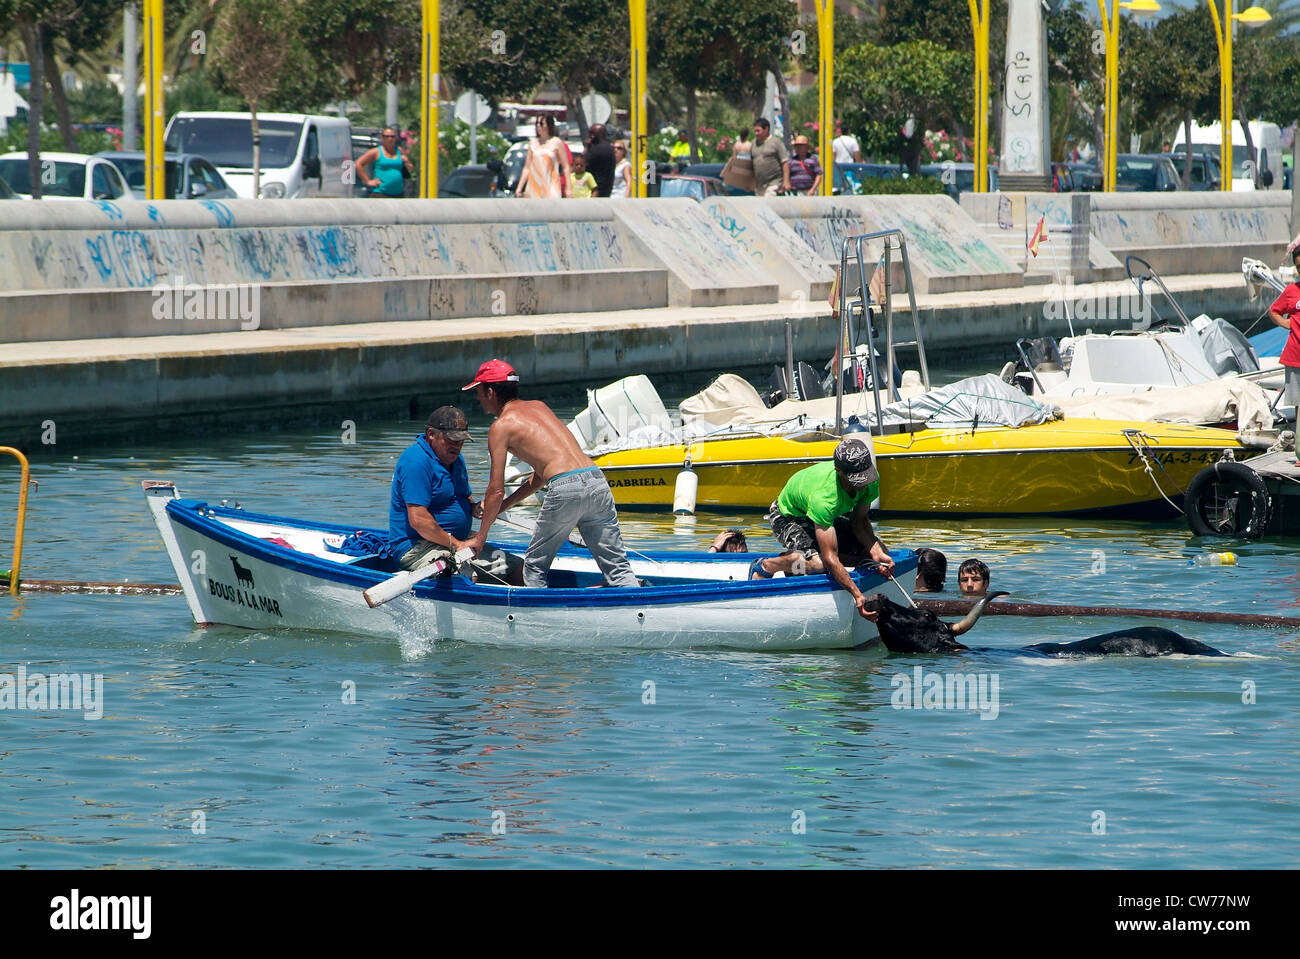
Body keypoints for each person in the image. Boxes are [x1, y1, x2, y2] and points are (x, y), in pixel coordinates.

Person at [463, 359, 639, 589]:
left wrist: (480, 537)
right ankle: (635, 603)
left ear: (490, 392)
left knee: (534, 569)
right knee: (618, 569)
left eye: (478, 392)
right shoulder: (539, 407)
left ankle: (537, 621)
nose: (477, 398)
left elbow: (495, 490)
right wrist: (503, 507)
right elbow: (543, 474)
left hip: (566, 487)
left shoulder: (501, 426)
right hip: (596, 479)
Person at [749, 438, 895, 622]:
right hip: (788, 516)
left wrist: (875, 551)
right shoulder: (824, 498)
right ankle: (770, 565)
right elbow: (830, 558)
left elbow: (859, 521)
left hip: (820, 518)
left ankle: (803, 563)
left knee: (876, 549)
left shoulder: (871, 480)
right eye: (857, 480)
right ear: (839, 471)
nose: (864, 484)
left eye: (865, 477)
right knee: (818, 564)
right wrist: (857, 595)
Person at [388, 406, 481, 571]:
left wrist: (474, 507)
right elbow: (419, 520)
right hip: (417, 547)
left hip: (457, 541)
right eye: (452, 439)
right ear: (431, 434)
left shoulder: (456, 460)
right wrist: (457, 545)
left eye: (461, 441)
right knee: (466, 573)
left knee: (515, 568)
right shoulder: (416, 461)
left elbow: (463, 496)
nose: (457, 446)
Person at [1267, 240, 1300, 417]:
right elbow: (1273, 311)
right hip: (1295, 356)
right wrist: (1286, 323)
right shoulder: (1291, 290)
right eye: (1299, 267)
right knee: (1298, 404)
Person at [516, 116, 569, 199]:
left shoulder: (557, 142)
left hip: (551, 185)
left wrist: (568, 188)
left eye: (541, 123)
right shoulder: (532, 143)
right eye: (536, 123)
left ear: (549, 125)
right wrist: (519, 188)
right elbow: (527, 167)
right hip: (534, 186)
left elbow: (566, 167)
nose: (538, 126)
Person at [357, 126, 414, 198]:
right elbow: (358, 164)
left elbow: (410, 169)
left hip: (398, 194)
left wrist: (407, 162)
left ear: (395, 138)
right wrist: (368, 181)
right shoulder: (376, 151)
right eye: (387, 136)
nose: (390, 139)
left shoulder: (399, 150)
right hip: (380, 193)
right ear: (382, 137)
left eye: (392, 136)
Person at [751, 117, 790, 197]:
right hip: (760, 186)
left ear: (766, 129)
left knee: (768, 204)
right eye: (755, 131)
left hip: (774, 183)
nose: (756, 133)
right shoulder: (753, 143)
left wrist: (786, 181)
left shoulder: (776, 143)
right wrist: (750, 183)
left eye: (758, 131)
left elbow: (785, 162)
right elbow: (751, 165)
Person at [584, 123, 616, 197]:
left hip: (595, 189)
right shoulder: (609, 147)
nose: (590, 136)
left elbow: (582, 162)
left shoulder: (596, 149)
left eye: (592, 133)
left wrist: (586, 148)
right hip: (606, 188)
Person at [722, 129, 756, 193]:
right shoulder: (749, 145)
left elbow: (734, 156)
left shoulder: (736, 144)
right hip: (747, 162)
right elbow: (752, 156)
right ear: (747, 135)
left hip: (738, 162)